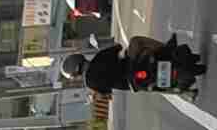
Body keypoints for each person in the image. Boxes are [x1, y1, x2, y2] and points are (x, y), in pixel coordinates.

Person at [64, 34, 205, 95]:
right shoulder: (99, 57)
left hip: (132, 84)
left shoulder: (91, 84)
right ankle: (167, 49)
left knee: (152, 88)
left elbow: (107, 92)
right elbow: (118, 47)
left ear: (75, 74)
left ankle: (185, 92)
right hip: (132, 65)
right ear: (80, 58)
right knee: (136, 41)